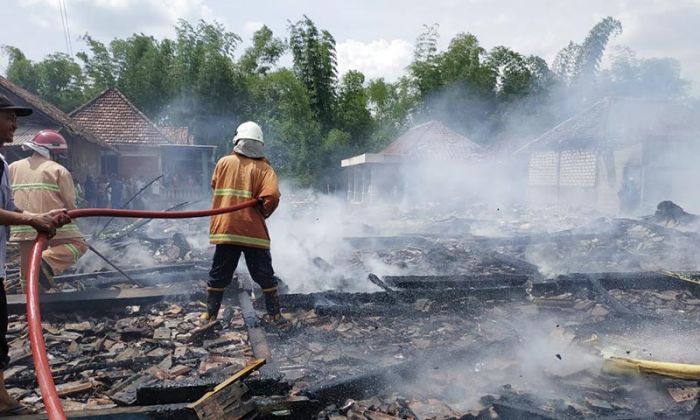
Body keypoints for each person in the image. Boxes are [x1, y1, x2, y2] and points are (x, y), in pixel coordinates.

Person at [0, 95, 70, 415]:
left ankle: (1, 398)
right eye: (9, 117)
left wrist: (35, 215)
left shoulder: (4, 163)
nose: (16, 124)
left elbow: (8, 207)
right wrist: (32, 219)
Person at [203, 121, 284, 324]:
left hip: (226, 229)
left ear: (238, 141)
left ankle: (209, 315)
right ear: (259, 144)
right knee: (264, 275)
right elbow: (272, 196)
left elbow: (214, 185)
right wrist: (262, 213)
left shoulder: (223, 162)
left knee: (219, 273)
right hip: (253, 232)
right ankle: (275, 315)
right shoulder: (265, 169)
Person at [9, 130, 88, 290]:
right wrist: (74, 217)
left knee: (27, 271)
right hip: (52, 222)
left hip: (22, 224)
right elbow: (69, 202)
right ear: (52, 152)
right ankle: (44, 261)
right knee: (79, 244)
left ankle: (30, 302)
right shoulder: (58, 170)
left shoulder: (12, 167)